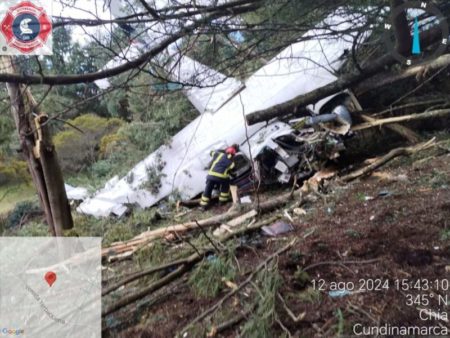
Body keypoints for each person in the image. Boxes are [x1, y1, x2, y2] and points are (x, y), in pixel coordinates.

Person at [200, 144, 239, 209]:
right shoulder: (231, 163)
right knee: (226, 183)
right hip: (221, 178)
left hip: (210, 176)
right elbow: (232, 171)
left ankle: (204, 205)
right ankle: (222, 201)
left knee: (208, 189)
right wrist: (233, 175)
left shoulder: (218, 154)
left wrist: (221, 151)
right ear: (233, 154)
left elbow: (211, 152)